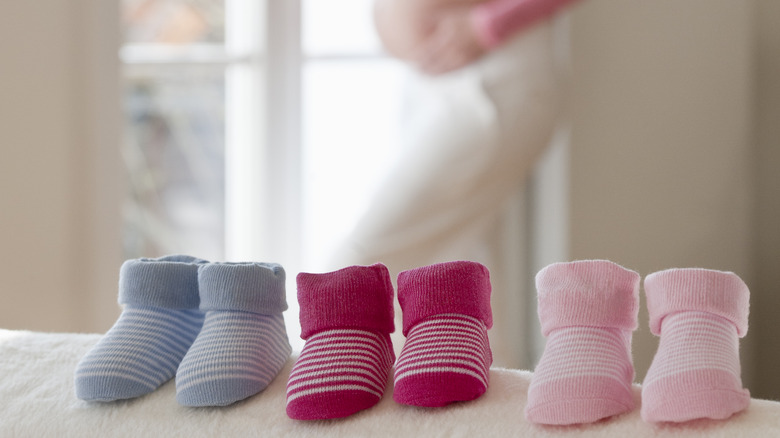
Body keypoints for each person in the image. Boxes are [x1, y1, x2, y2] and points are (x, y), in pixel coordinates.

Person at [331, 0, 580, 368]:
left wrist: (491, 24)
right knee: (459, 288)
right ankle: (490, 419)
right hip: (434, 77)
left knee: (358, 272)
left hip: (490, 72)